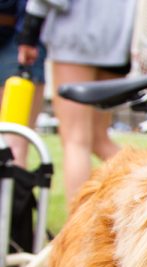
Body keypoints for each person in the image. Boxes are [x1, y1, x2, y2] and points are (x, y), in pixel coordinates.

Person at [17, 0, 137, 206]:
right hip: (117, 40)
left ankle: (78, 226)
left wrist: (30, 30)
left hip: (76, 35)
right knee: (100, 140)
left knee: (75, 140)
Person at [0, 0, 46, 167]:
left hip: (17, 40)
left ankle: (12, 191)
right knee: (13, 142)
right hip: (19, 37)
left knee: (13, 143)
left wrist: (27, 35)